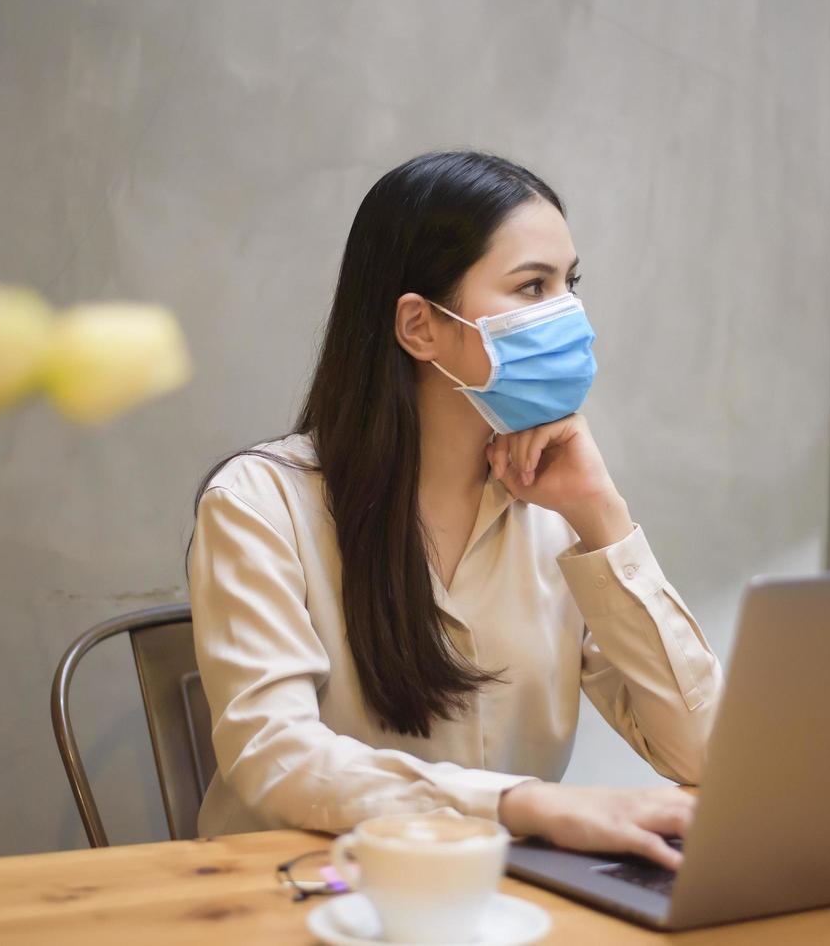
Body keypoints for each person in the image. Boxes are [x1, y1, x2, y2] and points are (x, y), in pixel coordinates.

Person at [186, 149, 722, 870]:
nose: (569, 316)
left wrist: (605, 520)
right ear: (419, 327)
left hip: (492, 904)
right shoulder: (260, 502)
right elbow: (274, 755)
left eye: (570, 285)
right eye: (532, 287)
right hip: (293, 901)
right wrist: (522, 805)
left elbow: (703, 751)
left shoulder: (558, 512)